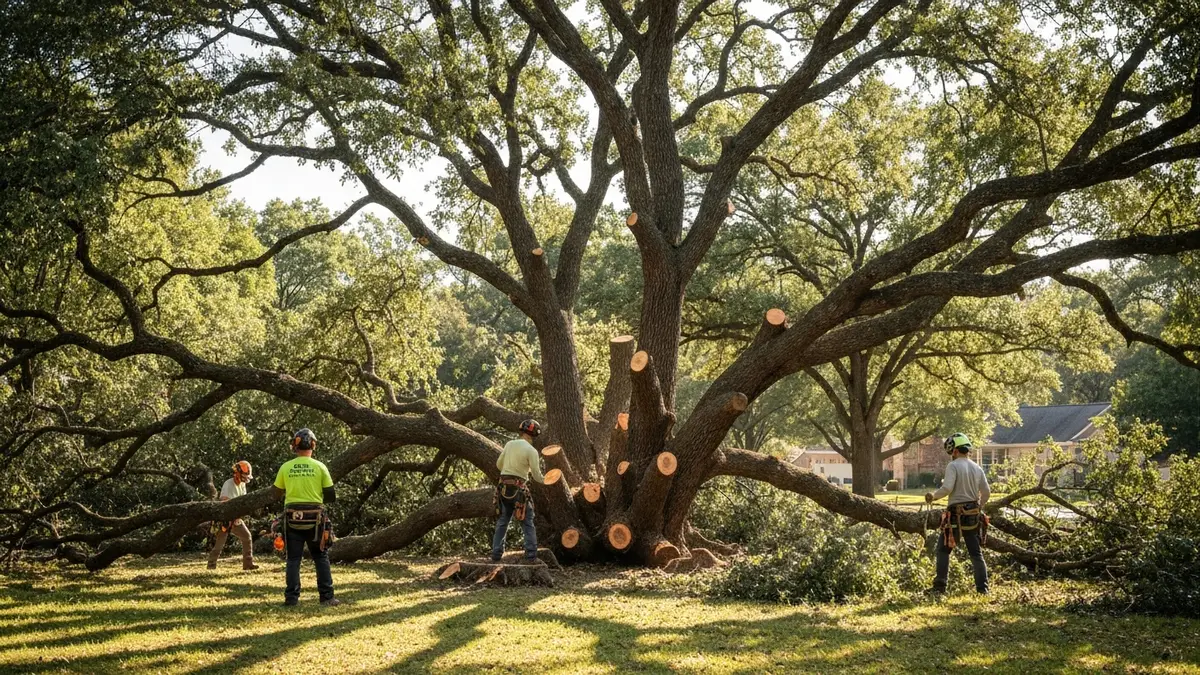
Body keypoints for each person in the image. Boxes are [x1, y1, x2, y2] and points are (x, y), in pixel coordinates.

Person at [272, 428, 340, 607]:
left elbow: (276, 493)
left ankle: (291, 599)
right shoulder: (320, 467)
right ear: (313, 445)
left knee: (293, 559)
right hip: (316, 520)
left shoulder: (286, 467)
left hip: (292, 518)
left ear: (295, 446)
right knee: (320, 557)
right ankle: (327, 597)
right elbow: (331, 496)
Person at [925, 432, 991, 595]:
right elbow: (986, 492)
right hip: (973, 516)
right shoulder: (977, 468)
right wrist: (979, 506)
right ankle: (983, 590)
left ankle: (940, 588)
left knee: (943, 549)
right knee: (976, 553)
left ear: (954, 450)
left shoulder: (953, 466)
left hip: (956, 516)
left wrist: (933, 496)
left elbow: (947, 488)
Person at [491, 419, 545, 562]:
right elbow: (537, 476)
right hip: (519, 489)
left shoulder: (509, 444)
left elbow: (498, 465)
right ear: (534, 434)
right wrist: (548, 480)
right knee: (527, 521)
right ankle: (531, 555)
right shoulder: (531, 451)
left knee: (503, 520)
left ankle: (496, 554)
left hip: (503, 488)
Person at [207, 461, 259, 570]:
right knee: (220, 544)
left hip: (237, 518)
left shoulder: (243, 485)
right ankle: (211, 566)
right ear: (237, 473)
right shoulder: (228, 484)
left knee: (247, 537)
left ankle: (248, 564)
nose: (246, 478)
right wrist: (232, 515)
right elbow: (224, 500)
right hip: (225, 519)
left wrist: (240, 514)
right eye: (245, 475)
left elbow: (243, 501)